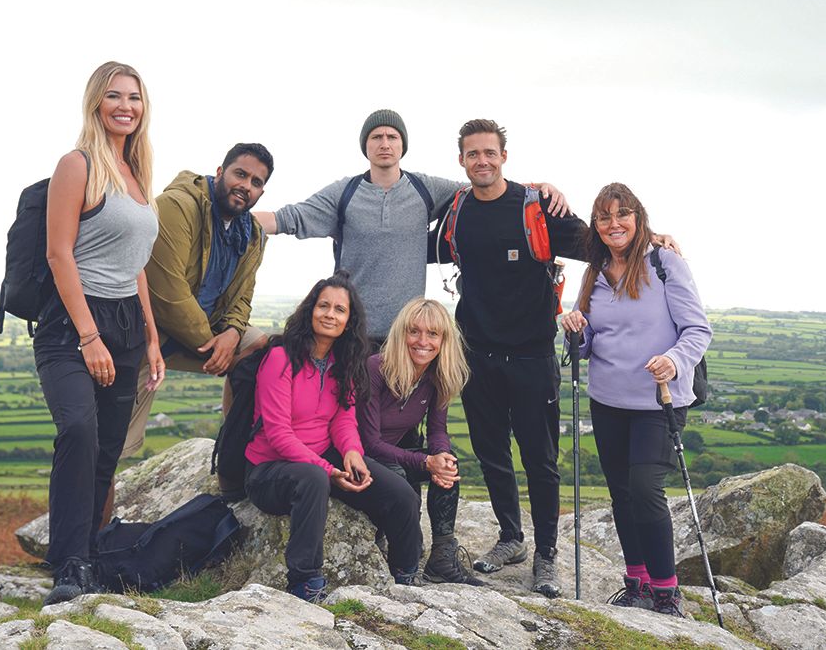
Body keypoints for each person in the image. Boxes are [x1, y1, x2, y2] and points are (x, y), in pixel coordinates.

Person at [430, 118, 588, 598]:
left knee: (540, 461)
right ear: (461, 161)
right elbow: (418, 248)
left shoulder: (535, 206)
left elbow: (598, 244)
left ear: (503, 157)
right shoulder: (456, 211)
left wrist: (652, 240)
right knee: (492, 453)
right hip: (476, 353)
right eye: (472, 154)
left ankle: (546, 556)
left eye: (489, 153)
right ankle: (511, 539)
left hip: (531, 355)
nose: (482, 161)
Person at [255, 109, 568, 346]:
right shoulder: (344, 193)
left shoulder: (425, 189)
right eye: (376, 137)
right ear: (365, 145)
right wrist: (231, 216)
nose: (385, 143)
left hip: (407, 338)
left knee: (400, 428)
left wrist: (535, 189)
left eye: (393, 137)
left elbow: (485, 187)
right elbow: (289, 218)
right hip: (351, 333)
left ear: (403, 145)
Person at [33, 61, 164, 606]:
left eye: (134, 97)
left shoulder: (137, 175)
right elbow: (58, 252)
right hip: (73, 325)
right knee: (79, 433)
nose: (125, 106)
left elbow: (135, 265)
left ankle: (85, 554)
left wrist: (152, 337)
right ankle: (67, 564)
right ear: (95, 103)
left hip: (128, 325)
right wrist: (89, 337)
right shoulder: (77, 164)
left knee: (108, 450)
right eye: (114, 96)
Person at [561, 182, 711, 617]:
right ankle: (637, 582)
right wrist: (576, 328)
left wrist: (674, 360)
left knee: (646, 489)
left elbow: (697, 330)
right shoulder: (594, 272)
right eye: (604, 217)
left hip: (658, 401)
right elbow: (586, 345)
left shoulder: (665, 263)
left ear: (638, 218)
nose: (614, 224)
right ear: (596, 226)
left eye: (622, 214)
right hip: (607, 401)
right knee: (622, 494)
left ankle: (666, 592)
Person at [244, 272, 423, 602]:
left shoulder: (345, 363)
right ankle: (304, 582)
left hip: (323, 457)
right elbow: (279, 434)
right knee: (313, 478)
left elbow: (344, 418)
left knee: (402, 495)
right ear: (310, 310)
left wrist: (352, 453)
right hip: (270, 470)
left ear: (348, 320)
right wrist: (329, 471)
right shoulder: (280, 358)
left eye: (339, 309)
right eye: (323, 305)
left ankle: (405, 577)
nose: (330, 314)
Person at [121, 144, 274, 471]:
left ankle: (235, 451)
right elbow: (167, 295)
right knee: (114, 442)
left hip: (209, 328)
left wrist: (232, 334)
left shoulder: (254, 235)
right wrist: (214, 345)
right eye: (241, 174)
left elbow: (243, 297)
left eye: (257, 182)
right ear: (220, 173)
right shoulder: (177, 206)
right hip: (149, 332)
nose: (247, 185)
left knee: (261, 348)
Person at [357, 298, 484, 586]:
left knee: (449, 465)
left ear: (443, 339)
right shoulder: (376, 368)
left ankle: (441, 557)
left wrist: (440, 458)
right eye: (414, 331)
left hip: (392, 455)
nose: (422, 341)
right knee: (400, 476)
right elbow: (369, 442)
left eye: (433, 334)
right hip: (360, 457)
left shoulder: (437, 374)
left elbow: (438, 430)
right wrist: (425, 461)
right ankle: (400, 561)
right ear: (402, 333)